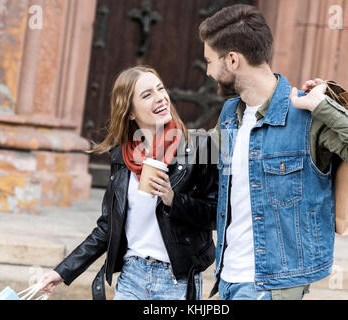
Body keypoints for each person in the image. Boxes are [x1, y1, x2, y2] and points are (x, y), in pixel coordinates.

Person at [199, 4, 348, 300]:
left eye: (210, 61)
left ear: (233, 60)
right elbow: (201, 157)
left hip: (272, 286)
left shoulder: (307, 114)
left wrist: (323, 107)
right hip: (226, 279)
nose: (208, 71)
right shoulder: (230, 113)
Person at [39, 66, 218, 300]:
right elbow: (107, 227)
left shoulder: (200, 148)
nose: (160, 98)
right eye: (147, 95)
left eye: (160, 89)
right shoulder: (121, 158)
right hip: (131, 278)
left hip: (176, 281)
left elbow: (217, 214)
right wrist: (62, 271)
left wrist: (174, 200)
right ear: (131, 112)